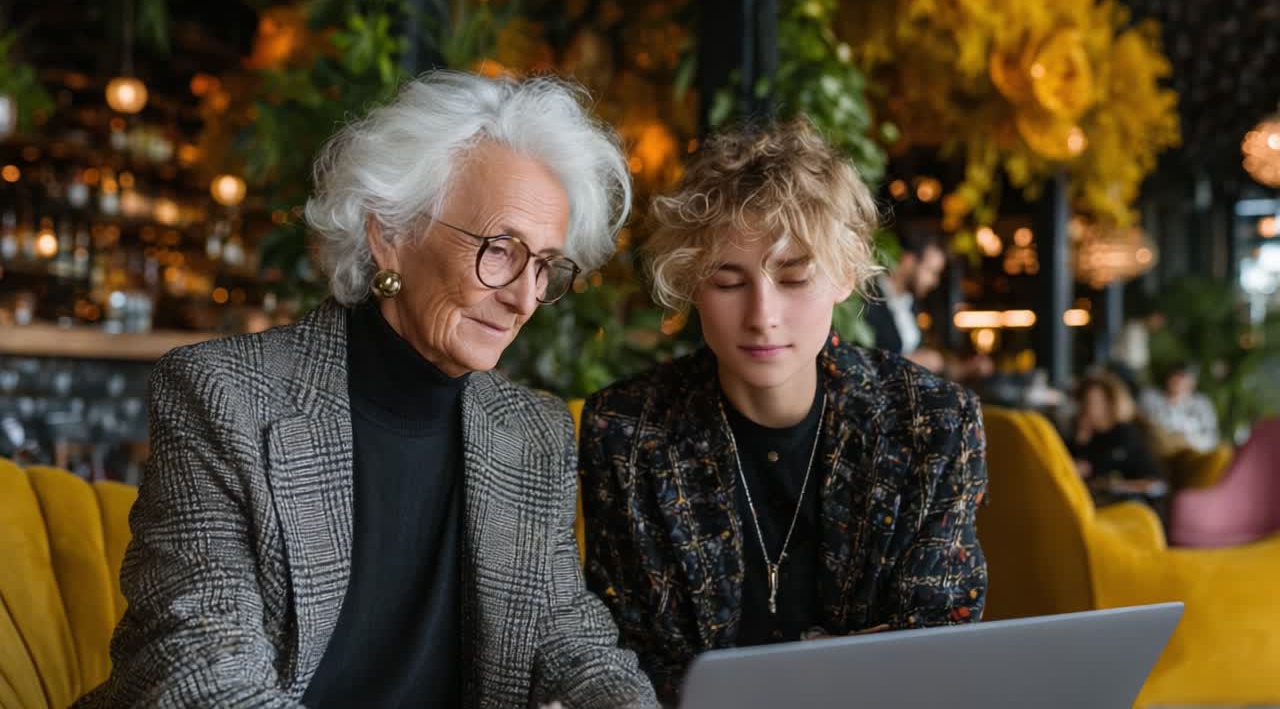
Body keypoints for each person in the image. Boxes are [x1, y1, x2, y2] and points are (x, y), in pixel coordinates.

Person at [77, 71, 657, 708]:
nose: (524, 297)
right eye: (501, 249)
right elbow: (204, 676)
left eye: (545, 265)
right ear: (391, 235)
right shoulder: (225, 397)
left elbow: (569, 643)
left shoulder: (531, 435)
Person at [578, 118, 988, 704]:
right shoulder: (626, 431)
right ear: (692, 281)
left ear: (845, 274)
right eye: (727, 281)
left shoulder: (935, 423)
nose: (762, 315)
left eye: (794, 277)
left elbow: (939, 647)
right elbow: (630, 658)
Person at [864, 225, 991, 381]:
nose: (934, 281)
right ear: (909, 261)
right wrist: (909, 362)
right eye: (931, 271)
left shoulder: (912, 305)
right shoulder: (868, 298)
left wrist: (965, 368)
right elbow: (859, 360)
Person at [1070, 372, 1166, 493]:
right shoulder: (1089, 435)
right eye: (1082, 402)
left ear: (1111, 403)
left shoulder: (1125, 433)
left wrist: (1088, 467)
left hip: (1139, 498)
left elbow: (1103, 465)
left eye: (1091, 402)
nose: (1086, 408)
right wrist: (1081, 438)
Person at [1139, 362, 1220, 453]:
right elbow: (1149, 426)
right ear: (1168, 378)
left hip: (1191, 451)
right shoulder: (1150, 396)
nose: (1179, 381)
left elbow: (1211, 437)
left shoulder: (1202, 403)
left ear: (1192, 382)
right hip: (1159, 449)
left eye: (1184, 377)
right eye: (1176, 376)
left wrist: (1189, 441)